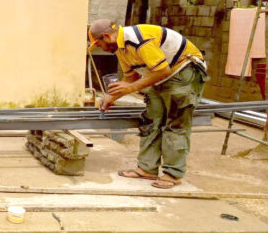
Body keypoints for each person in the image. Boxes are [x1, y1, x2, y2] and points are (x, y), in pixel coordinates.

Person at [88, 19, 208, 189]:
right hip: (161, 76)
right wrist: (111, 97)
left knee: (175, 124)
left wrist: (130, 88)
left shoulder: (138, 39)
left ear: (106, 36)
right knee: (151, 121)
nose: (101, 49)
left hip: (183, 72)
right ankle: (147, 169)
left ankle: (172, 174)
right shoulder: (121, 48)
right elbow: (131, 77)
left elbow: (162, 70)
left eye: (99, 44)